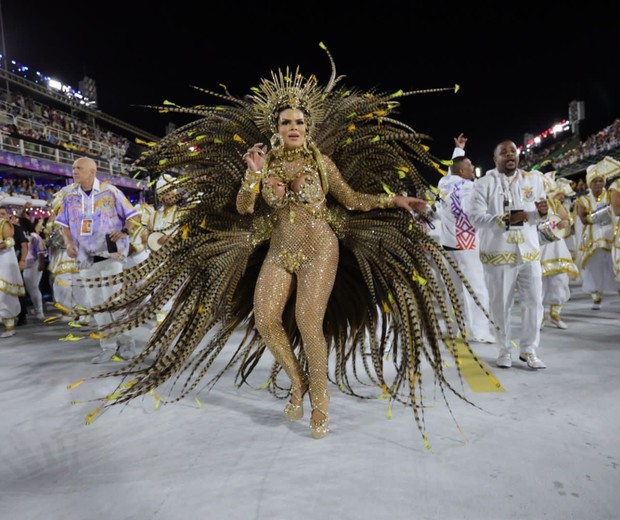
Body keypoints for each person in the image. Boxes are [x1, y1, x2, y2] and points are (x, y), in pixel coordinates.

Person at [71, 47, 487, 441]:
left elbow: (352, 200)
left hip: (321, 248)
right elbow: (244, 206)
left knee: (308, 323)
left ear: (308, 128)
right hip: (279, 249)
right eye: (286, 122)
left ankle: (320, 400)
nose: (293, 128)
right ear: (276, 128)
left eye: (300, 123)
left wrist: (397, 199)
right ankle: (299, 380)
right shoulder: (261, 161)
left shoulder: (322, 164)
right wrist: (251, 175)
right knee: (267, 319)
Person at [467, 140, 548, 369]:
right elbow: (476, 217)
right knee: (501, 304)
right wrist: (503, 220)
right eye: (503, 152)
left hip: (528, 251)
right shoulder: (484, 184)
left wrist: (541, 214)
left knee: (534, 303)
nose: (510, 155)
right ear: (495, 159)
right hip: (498, 252)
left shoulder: (533, 180)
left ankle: (529, 350)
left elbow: (537, 214)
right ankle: (504, 349)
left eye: (513, 151)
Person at [56, 157, 141, 363]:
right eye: (73, 168)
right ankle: (107, 346)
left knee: (115, 303)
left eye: (79, 168)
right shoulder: (69, 196)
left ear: (92, 172)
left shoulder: (110, 191)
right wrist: (68, 243)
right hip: (85, 259)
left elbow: (134, 216)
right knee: (98, 305)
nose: (74, 171)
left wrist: (123, 231)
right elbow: (64, 224)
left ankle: (127, 343)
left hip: (110, 256)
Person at [438, 135, 495, 343]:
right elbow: (470, 211)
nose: (473, 168)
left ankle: (454, 328)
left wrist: (458, 150)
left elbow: (451, 169)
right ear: (463, 171)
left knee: (452, 289)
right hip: (466, 243)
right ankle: (480, 331)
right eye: (470, 166)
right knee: (476, 287)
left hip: (447, 244)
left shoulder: (443, 182)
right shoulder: (471, 187)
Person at [538, 172, 579, 329]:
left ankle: (555, 315)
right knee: (539, 283)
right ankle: (540, 316)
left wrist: (564, 222)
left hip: (556, 247)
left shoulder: (554, 203)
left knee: (559, 280)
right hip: (539, 246)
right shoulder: (527, 204)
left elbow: (566, 218)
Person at [574, 164, 618, 309]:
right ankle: (596, 292)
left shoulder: (611, 194)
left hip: (611, 234)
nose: (598, 184)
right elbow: (583, 219)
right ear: (589, 183)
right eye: (595, 181)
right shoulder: (583, 200)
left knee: (613, 263)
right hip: (592, 237)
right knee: (594, 265)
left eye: (600, 181)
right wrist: (601, 216)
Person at [0, 206, 26, 337]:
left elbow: (10, 241)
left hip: (4, 261)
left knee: (5, 293)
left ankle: (9, 327)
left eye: (2, 213)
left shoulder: (4, 224)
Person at [21, 217, 48, 321]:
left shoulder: (34, 236)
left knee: (33, 288)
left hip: (33, 264)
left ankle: (39, 311)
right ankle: (36, 308)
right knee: (30, 288)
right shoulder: (24, 236)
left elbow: (41, 251)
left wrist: (41, 263)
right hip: (25, 265)